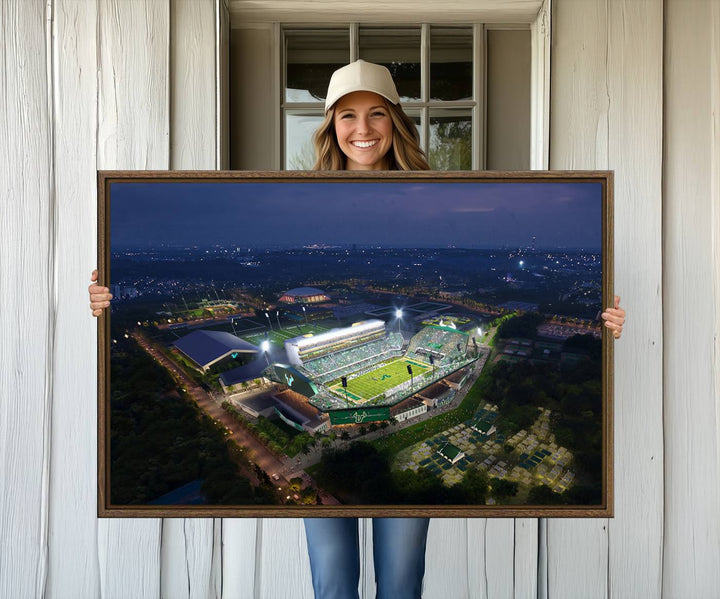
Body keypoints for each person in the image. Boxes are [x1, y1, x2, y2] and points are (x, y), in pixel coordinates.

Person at [88, 60, 626, 599]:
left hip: (384, 430)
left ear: (396, 122)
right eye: (348, 115)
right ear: (330, 126)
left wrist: (603, 322)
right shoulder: (302, 199)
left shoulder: (435, 194)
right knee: (333, 577)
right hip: (341, 386)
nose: (363, 129)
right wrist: (107, 297)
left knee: (400, 577)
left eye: (376, 115)